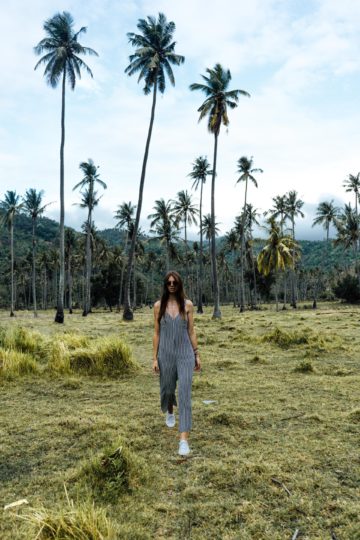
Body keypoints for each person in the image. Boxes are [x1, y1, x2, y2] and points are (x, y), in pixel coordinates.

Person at [153, 270, 201, 456]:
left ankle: (183, 440)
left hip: (185, 354)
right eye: (168, 282)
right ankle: (170, 410)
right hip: (165, 354)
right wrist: (154, 358)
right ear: (165, 285)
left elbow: (191, 331)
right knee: (167, 388)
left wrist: (196, 354)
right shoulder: (158, 306)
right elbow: (156, 333)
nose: (171, 284)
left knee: (185, 393)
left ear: (179, 284)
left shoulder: (187, 305)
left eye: (174, 282)